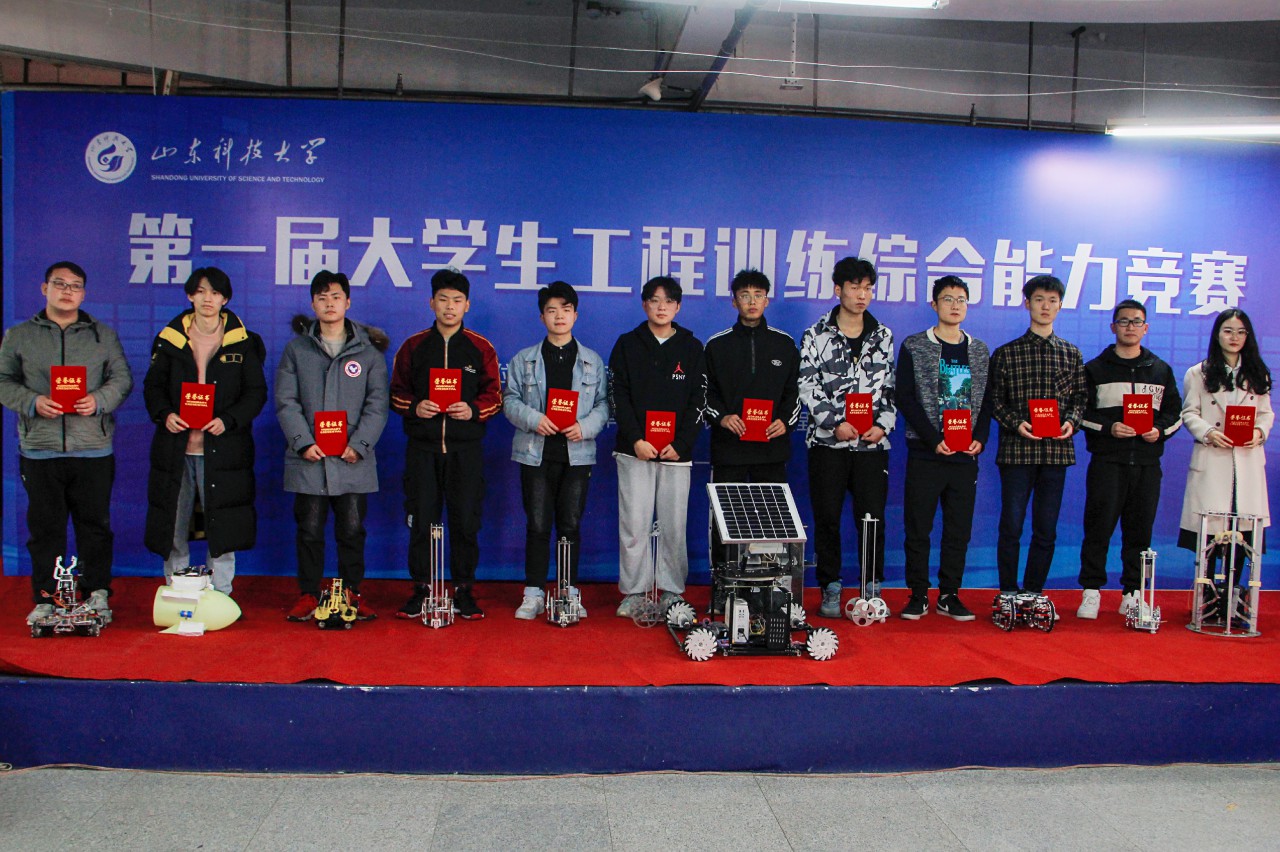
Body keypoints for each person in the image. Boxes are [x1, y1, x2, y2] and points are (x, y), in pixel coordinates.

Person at [0, 261, 133, 625]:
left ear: (83, 294)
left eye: (75, 286)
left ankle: (97, 592)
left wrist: (99, 401)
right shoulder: (19, 336)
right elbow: (3, 381)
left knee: (95, 526)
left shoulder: (102, 335)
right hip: (39, 448)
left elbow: (122, 379)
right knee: (45, 529)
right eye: (59, 284)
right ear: (45, 288)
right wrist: (32, 402)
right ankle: (46, 597)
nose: (67, 291)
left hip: (93, 448)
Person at [143, 267, 267, 596]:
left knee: (222, 523)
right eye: (200, 291)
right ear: (190, 295)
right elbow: (152, 387)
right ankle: (177, 590)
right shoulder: (169, 338)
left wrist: (229, 419)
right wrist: (165, 414)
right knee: (174, 522)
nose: (207, 298)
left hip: (224, 449)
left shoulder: (244, 340)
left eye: (214, 292)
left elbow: (256, 393)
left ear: (225, 299)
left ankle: (220, 592)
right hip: (176, 447)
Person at [276, 270, 390, 622]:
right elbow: (286, 401)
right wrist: (302, 442)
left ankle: (352, 592)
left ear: (348, 302)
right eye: (322, 298)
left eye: (336, 297)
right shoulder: (297, 349)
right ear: (313, 304)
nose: (329, 303)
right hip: (309, 458)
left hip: (352, 459)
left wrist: (360, 444)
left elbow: (377, 404)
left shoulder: (369, 353)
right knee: (309, 530)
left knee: (352, 530)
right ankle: (308, 594)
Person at [390, 268, 502, 620]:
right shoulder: (413, 346)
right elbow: (395, 394)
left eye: (456, 300)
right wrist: (415, 406)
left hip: (464, 450)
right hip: (422, 450)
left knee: (466, 521)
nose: (449, 307)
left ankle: (464, 590)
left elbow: (495, 397)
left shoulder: (481, 348)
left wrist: (473, 410)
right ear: (431, 303)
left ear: (467, 305)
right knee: (421, 519)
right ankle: (421, 589)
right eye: (443, 300)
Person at [503, 281, 610, 619]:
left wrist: (585, 427)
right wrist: (534, 419)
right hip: (535, 452)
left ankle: (568, 592)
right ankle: (533, 592)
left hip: (577, 453)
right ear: (542, 317)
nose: (559, 316)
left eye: (566, 310)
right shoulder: (524, 360)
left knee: (571, 524)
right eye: (552, 310)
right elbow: (509, 401)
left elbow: (604, 405)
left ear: (575, 315)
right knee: (537, 524)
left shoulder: (592, 361)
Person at [798, 256, 896, 619]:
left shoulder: (883, 335)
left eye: (868, 288)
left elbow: (891, 388)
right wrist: (834, 423)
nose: (862, 295)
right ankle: (831, 586)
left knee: (872, 519)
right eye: (855, 287)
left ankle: (872, 587)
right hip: (828, 444)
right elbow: (807, 386)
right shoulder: (816, 334)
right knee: (827, 517)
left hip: (872, 445)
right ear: (838, 289)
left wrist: (883, 425)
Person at [1076, 299, 1182, 619]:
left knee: (1139, 532)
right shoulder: (1095, 369)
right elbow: (1080, 413)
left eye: (1137, 322)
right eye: (1124, 321)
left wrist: (1159, 431)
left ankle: (1133, 594)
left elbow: (1175, 414)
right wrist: (1109, 428)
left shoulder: (1160, 370)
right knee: (1098, 528)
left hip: (1147, 465)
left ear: (1145, 328)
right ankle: (1091, 591)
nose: (1130, 327)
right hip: (1108, 462)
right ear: (1113, 327)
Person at [894, 275, 991, 622]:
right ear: (934, 305)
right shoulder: (915, 345)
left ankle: (949, 594)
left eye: (961, 299)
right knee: (918, 527)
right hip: (926, 453)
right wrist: (934, 439)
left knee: (958, 530)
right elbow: (905, 397)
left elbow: (987, 399)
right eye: (948, 299)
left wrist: (981, 437)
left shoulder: (979, 350)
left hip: (965, 455)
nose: (955, 305)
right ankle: (918, 594)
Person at [703, 268, 800, 609]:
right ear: (734, 302)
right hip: (729, 449)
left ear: (767, 300)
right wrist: (722, 416)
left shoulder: (785, 344)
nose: (752, 301)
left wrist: (784, 421)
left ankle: (771, 588)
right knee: (724, 521)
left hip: (771, 450)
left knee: (772, 520)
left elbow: (795, 393)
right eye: (744, 295)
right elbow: (704, 393)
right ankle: (723, 587)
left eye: (758, 295)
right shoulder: (716, 345)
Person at [608, 275, 705, 618]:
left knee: (673, 526)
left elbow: (699, 399)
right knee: (634, 524)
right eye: (654, 300)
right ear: (644, 304)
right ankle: (634, 592)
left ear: (678, 307)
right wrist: (636, 439)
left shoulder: (692, 348)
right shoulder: (627, 344)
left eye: (668, 301)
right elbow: (617, 395)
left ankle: (672, 591)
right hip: (634, 450)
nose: (661, 307)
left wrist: (681, 443)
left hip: (676, 454)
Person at [988, 274, 1086, 601]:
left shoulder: (1071, 354)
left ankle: (1033, 592)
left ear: (1060, 306)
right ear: (1027, 303)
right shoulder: (1006, 353)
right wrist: (1017, 423)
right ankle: (1007, 592)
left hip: (1056, 453)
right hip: (1017, 452)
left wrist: (1071, 422)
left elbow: (1081, 399)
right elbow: (993, 401)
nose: (1046, 306)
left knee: (1046, 529)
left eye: (1052, 300)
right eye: (1039, 299)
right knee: (1011, 526)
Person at [1178, 308, 1272, 622]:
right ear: (1217, 334)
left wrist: (1259, 432)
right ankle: (1206, 597)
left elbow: (1266, 413)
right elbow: (1189, 412)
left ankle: (1234, 596)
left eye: (1241, 332)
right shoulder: (1199, 373)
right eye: (1228, 331)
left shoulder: (1258, 373)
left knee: (1243, 533)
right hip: (1213, 457)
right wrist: (1208, 432)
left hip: (1246, 460)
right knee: (1210, 534)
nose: (1234, 337)